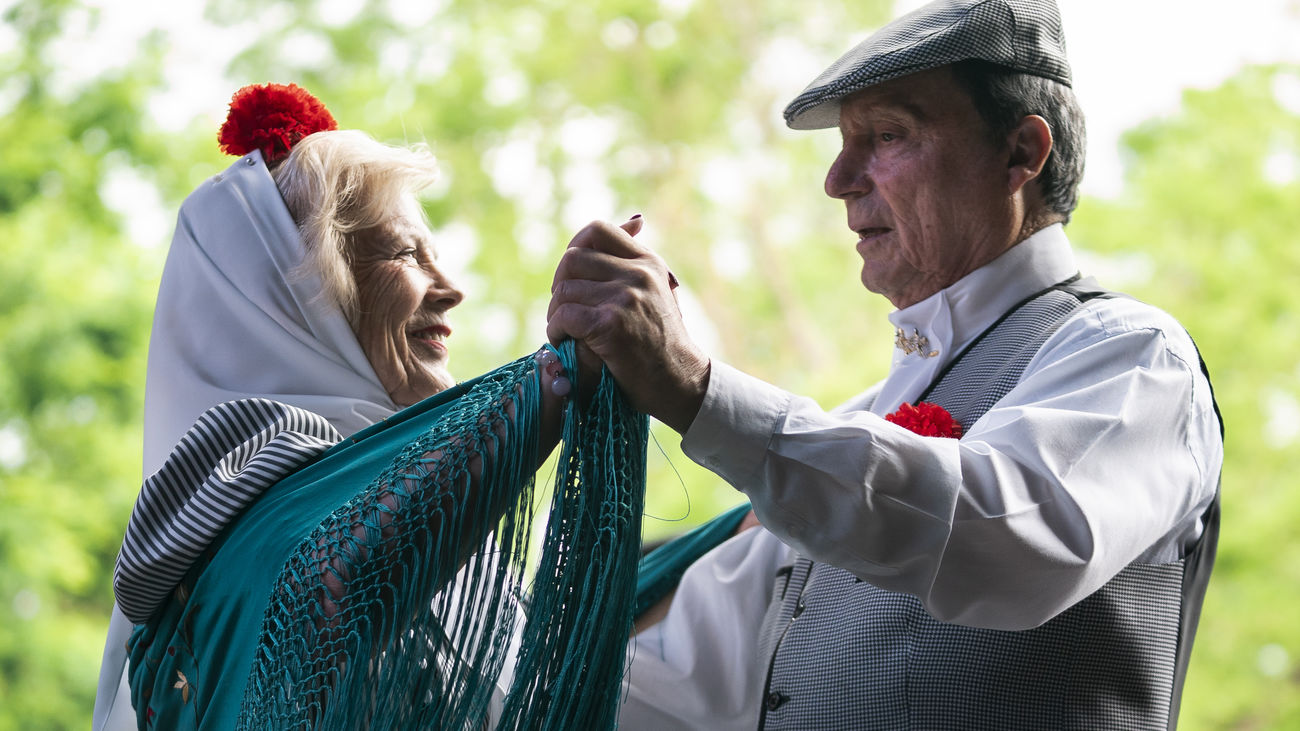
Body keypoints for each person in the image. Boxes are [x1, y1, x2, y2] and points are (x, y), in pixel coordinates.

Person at [547, 0, 1224, 728]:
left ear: (1021, 153)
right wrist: (462, 501)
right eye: (845, 143)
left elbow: (1005, 538)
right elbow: (657, 693)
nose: (838, 179)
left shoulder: (1135, 355)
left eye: (888, 135)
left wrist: (694, 388)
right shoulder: (837, 434)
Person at [94, 83, 643, 729]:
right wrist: (562, 375)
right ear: (292, 301)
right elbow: (333, 586)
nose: (452, 289)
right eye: (406, 253)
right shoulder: (236, 525)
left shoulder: (450, 523)